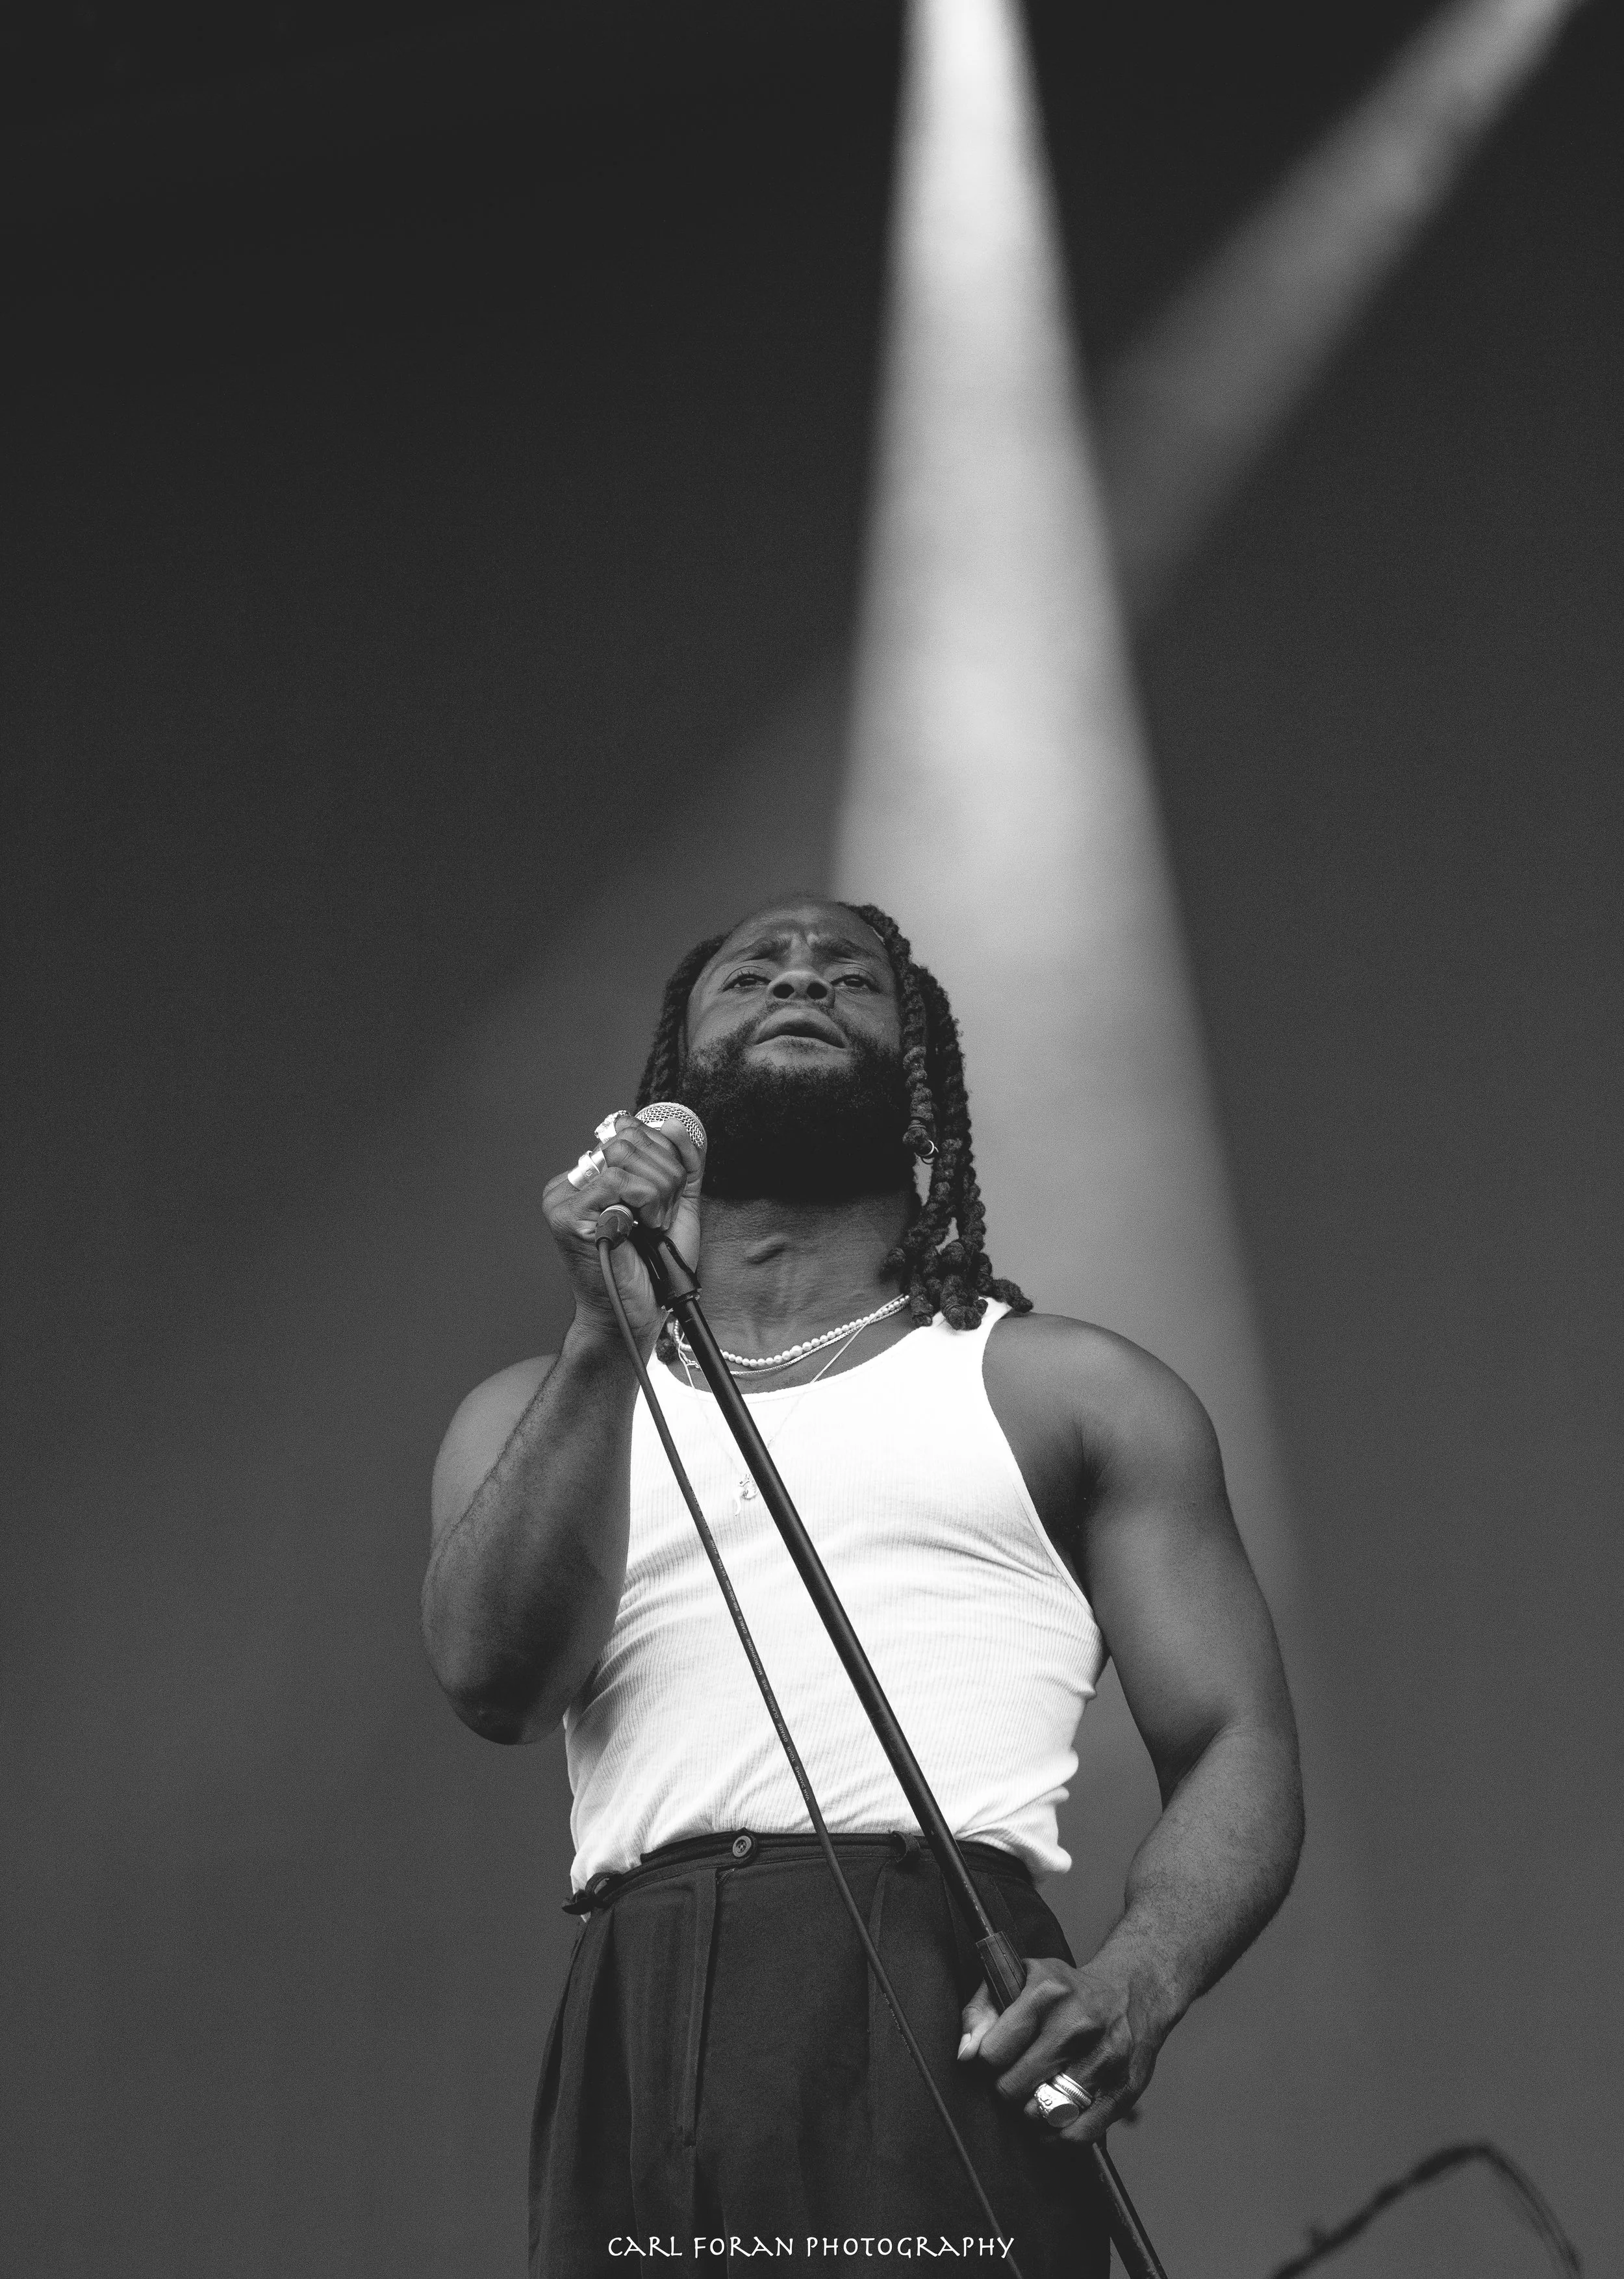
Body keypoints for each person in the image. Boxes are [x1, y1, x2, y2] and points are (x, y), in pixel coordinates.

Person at [421, 896, 1304, 2277]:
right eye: (749, 971)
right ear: (669, 1081)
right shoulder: (541, 1411)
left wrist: (1137, 1979)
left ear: (922, 1077)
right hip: (639, 1988)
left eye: (849, 975)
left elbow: (1234, 1737)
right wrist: (606, 1331)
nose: (797, 977)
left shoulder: (1066, 1389)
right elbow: (494, 1683)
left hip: (930, 1969)